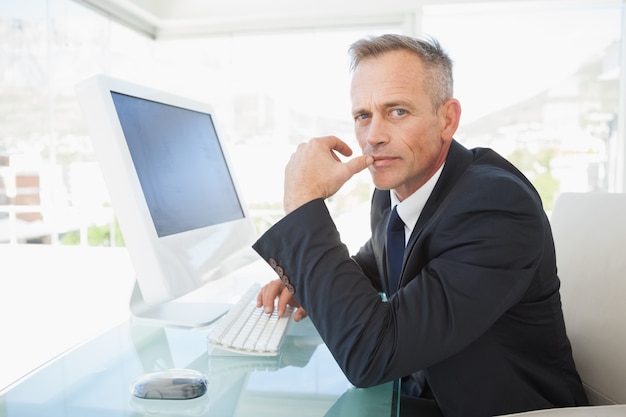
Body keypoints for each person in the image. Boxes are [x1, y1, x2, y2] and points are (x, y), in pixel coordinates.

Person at [253, 34, 588, 417]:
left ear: (447, 119)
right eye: (363, 115)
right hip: (420, 397)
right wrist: (305, 277)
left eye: (397, 111)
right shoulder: (395, 189)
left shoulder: (496, 207)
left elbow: (371, 355)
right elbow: (375, 264)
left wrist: (303, 206)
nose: (373, 137)